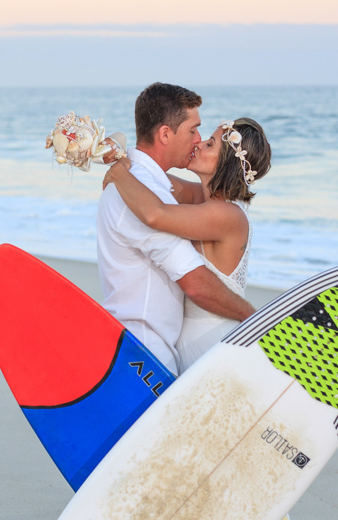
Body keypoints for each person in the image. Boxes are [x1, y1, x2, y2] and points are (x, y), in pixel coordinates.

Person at [97, 83, 255, 375]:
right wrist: (121, 164)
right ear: (166, 134)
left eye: (207, 141)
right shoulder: (143, 188)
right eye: (195, 131)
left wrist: (121, 166)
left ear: (225, 162)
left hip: (192, 340)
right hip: (146, 345)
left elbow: (158, 212)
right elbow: (193, 282)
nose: (197, 141)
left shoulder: (153, 188)